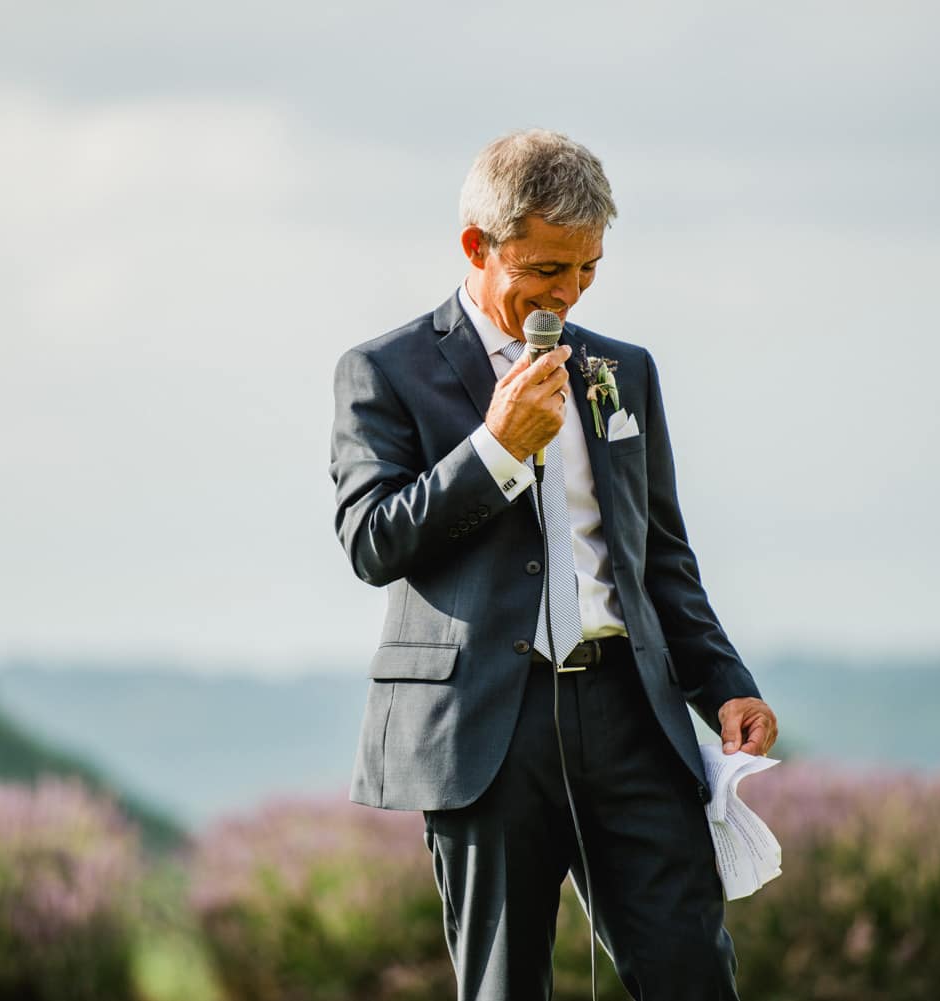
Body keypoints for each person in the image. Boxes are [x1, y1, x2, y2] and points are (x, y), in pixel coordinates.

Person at [329, 129, 778, 1001]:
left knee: (693, 974)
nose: (566, 294)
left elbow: (663, 560)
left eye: (587, 270)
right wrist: (496, 448)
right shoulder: (384, 371)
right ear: (478, 246)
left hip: (631, 714)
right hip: (487, 728)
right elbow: (372, 540)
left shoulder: (624, 371)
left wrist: (722, 681)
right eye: (543, 270)